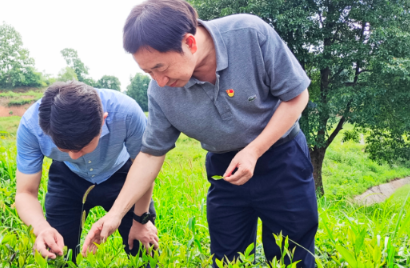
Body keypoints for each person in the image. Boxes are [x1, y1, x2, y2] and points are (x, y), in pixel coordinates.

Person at [82, 0, 318, 267]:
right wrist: (115, 215)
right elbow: (150, 155)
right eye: (148, 72)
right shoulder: (160, 92)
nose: (159, 81)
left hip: (281, 158)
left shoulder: (250, 34)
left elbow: (297, 97)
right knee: (228, 258)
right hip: (224, 169)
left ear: (190, 43)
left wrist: (254, 150)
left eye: (160, 67)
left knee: (294, 254)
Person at [14, 81, 158, 260]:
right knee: (57, 254)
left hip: (121, 173)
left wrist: (141, 218)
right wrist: (41, 228)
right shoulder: (31, 127)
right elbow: (24, 193)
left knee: (143, 250)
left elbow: (146, 166)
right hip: (67, 176)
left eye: (82, 147)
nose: (74, 156)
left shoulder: (126, 112)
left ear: (103, 120)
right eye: (65, 149)